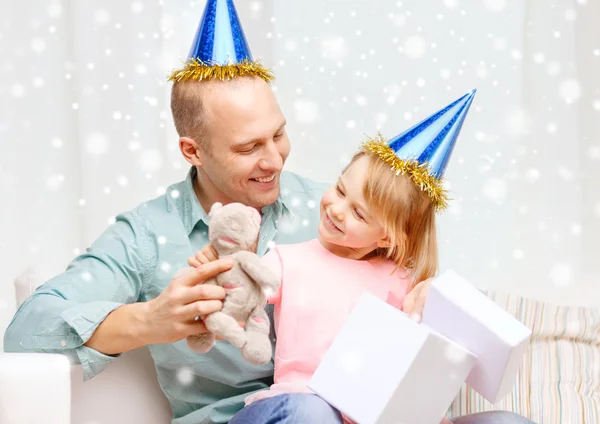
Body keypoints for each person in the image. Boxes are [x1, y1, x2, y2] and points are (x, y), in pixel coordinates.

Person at [4, 1, 535, 423]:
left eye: (279, 134)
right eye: (248, 147)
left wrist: (424, 292)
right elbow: (27, 331)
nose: (275, 158)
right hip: (250, 417)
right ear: (193, 151)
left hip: (362, 413)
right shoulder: (147, 236)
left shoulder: (329, 208)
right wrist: (148, 320)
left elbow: (400, 258)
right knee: (307, 412)